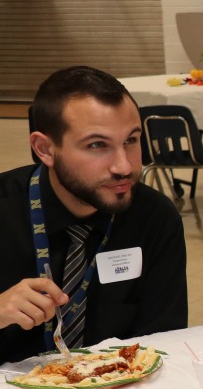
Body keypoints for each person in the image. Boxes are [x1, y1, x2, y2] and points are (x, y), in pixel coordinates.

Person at [0, 66, 188, 363]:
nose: (123, 166)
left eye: (131, 140)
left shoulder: (155, 218)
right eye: (97, 145)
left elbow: (165, 345)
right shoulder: (6, 208)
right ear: (44, 149)